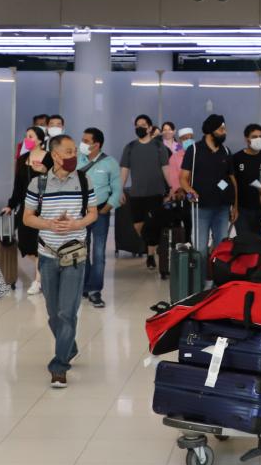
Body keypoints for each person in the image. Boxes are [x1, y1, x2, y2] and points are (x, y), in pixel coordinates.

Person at [24, 134, 97, 389]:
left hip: (75, 255)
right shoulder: (38, 184)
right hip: (47, 255)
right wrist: (49, 224)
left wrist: (76, 223)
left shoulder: (85, 180)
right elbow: (27, 218)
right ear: (55, 155)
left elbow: (92, 213)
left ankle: (59, 366)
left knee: (67, 312)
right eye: (68, 152)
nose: (73, 156)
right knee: (54, 313)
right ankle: (69, 346)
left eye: (74, 151)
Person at [120, 114, 171, 271]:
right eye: (137, 125)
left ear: (150, 128)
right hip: (136, 193)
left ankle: (150, 255)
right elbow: (124, 169)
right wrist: (119, 189)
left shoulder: (159, 147)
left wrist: (171, 188)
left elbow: (165, 168)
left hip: (156, 193)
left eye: (142, 125)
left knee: (154, 224)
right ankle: (151, 244)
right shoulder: (130, 147)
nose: (139, 127)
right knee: (138, 225)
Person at [181, 114, 236, 254]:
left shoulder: (226, 151)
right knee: (200, 249)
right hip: (201, 208)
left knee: (221, 249)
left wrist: (235, 206)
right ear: (210, 131)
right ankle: (200, 276)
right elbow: (183, 178)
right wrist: (190, 191)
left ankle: (218, 276)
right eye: (221, 129)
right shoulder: (193, 150)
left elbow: (232, 181)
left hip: (222, 209)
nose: (225, 132)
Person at [80, 127, 122, 308]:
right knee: (82, 251)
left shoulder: (110, 163)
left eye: (86, 141)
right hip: (80, 213)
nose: (82, 144)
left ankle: (95, 290)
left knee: (98, 253)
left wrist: (108, 207)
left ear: (96, 144)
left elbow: (117, 188)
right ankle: (84, 286)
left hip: (100, 212)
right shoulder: (76, 161)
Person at [3, 126, 47, 295]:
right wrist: (11, 204)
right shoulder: (22, 160)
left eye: (31, 136)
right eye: (26, 135)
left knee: (39, 243)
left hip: (44, 207)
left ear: (40, 140)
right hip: (26, 207)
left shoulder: (48, 158)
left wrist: (44, 170)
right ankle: (43, 268)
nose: (27, 139)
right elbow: (18, 187)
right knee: (26, 244)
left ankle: (38, 280)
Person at [232, 124, 261, 237]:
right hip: (242, 209)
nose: (258, 139)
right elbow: (232, 183)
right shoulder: (236, 158)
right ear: (246, 139)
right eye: (254, 137)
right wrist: (233, 207)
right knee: (245, 242)